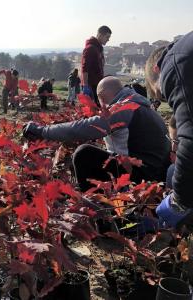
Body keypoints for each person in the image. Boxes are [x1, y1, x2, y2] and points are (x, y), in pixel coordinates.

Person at [23, 76, 170, 191]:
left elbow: (83, 128)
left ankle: (103, 216)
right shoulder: (142, 105)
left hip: (145, 175)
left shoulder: (123, 108)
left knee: (84, 154)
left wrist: (42, 131)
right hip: (159, 171)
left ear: (101, 97)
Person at [145, 32, 193, 229]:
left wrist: (178, 201)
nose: (166, 98)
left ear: (156, 71)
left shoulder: (174, 64)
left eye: (163, 95)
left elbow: (191, 140)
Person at [81, 25, 112, 106]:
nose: (108, 39)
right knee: (92, 110)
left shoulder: (98, 49)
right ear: (100, 35)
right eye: (107, 37)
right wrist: (85, 86)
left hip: (97, 85)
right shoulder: (90, 48)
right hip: (91, 86)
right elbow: (85, 69)